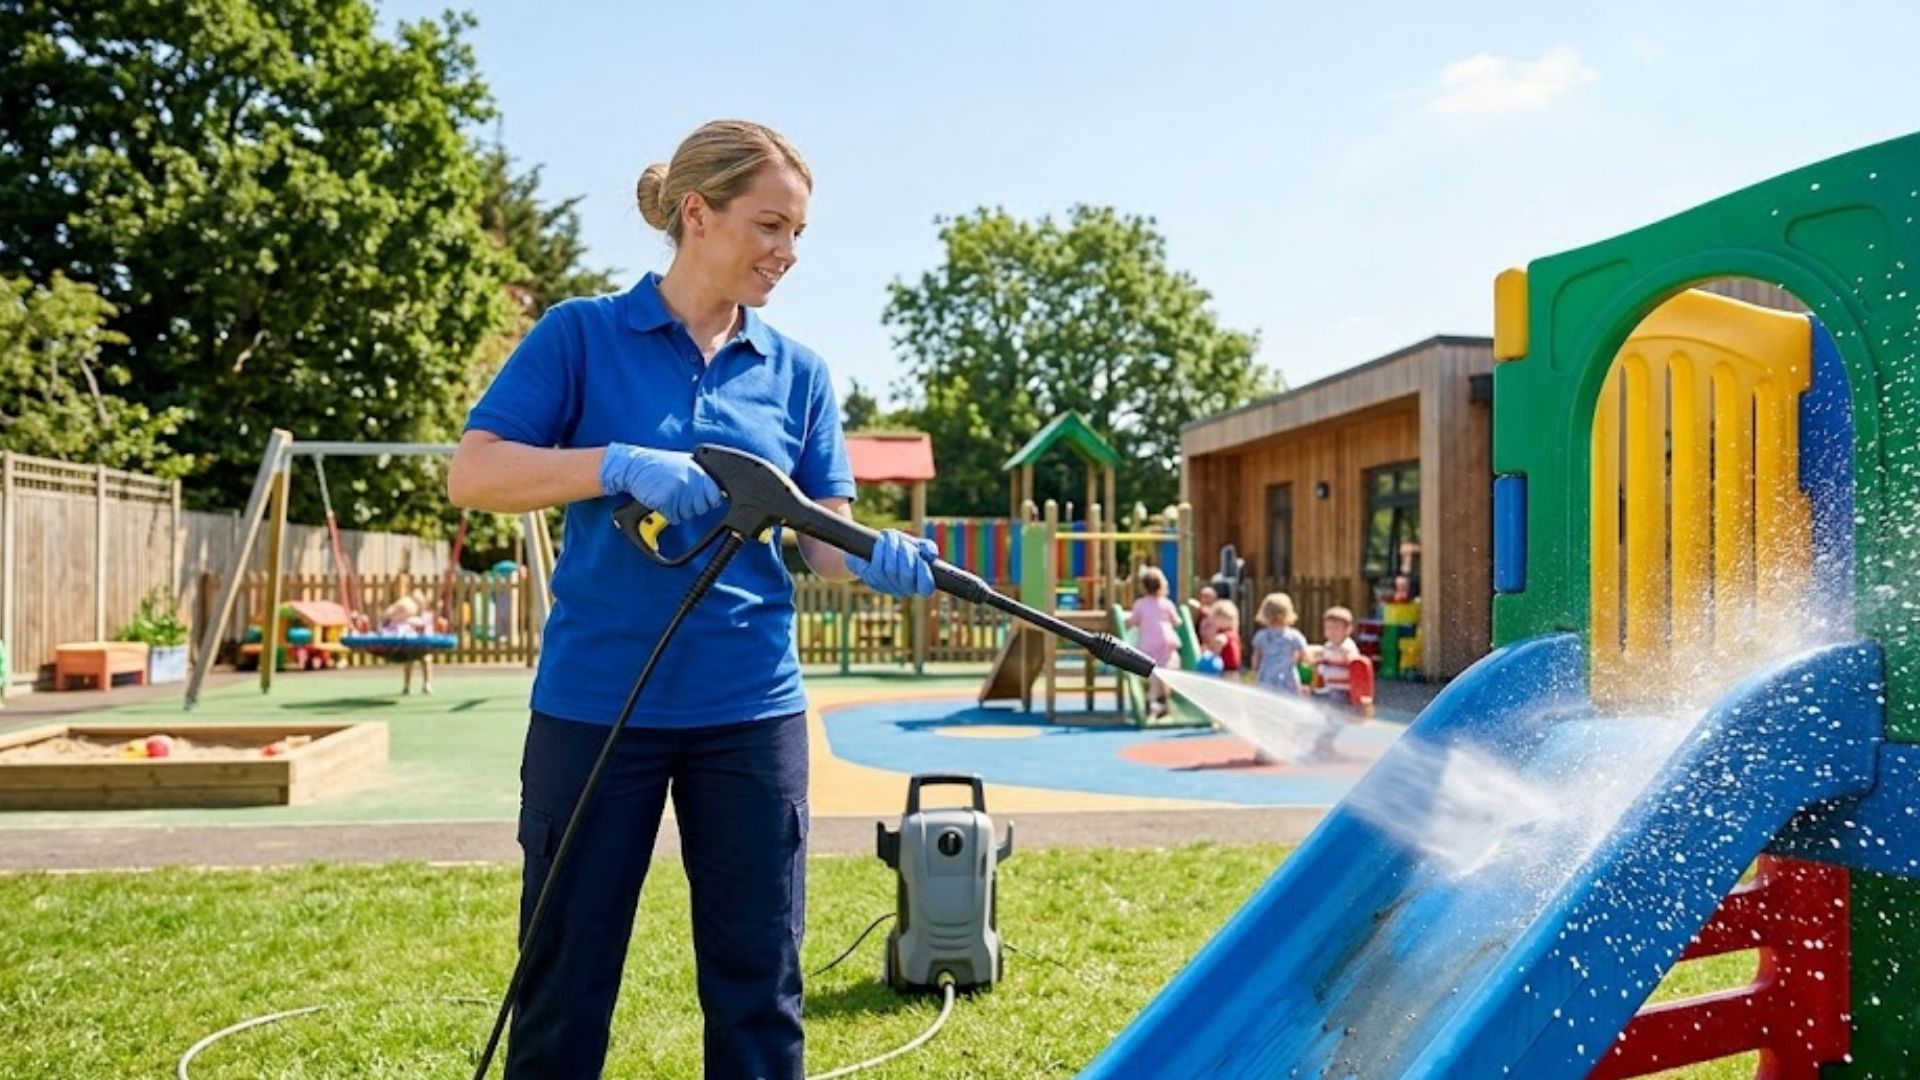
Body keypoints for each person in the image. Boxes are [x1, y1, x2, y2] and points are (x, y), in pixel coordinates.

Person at [447, 120, 940, 1080]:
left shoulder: (798, 373)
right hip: (596, 708)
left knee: (759, 987)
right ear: (697, 214)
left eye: (798, 233)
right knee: (565, 980)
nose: (786, 253)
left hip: (750, 714)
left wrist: (878, 556)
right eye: (768, 226)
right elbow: (476, 474)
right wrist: (616, 463)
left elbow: (823, 545)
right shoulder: (581, 336)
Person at [1125, 567, 1180, 717]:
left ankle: (1152, 701)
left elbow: (1132, 621)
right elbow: (1176, 622)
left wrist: (1124, 621)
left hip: (1148, 644)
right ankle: (1164, 702)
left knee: (1153, 675)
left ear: (1143, 587)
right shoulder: (1167, 603)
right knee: (1167, 671)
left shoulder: (1140, 604)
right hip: (1167, 643)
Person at [1250, 592, 1309, 695]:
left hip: (1267, 674)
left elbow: (1256, 656)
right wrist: (1297, 661)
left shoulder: (1261, 636)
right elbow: (1304, 654)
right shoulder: (1293, 636)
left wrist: (1255, 670)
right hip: (1287, 675)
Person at [378, 593, 434, 695]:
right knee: (409, 661)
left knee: (426, 659)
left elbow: (427, 629)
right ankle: (407, 686)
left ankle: (427, 684)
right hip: (410, 642)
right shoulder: (405, 616)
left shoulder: (423, 616)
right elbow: (394, 625)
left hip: (421, 642)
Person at [1208, 598, 1243, 673]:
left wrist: (1213, 653)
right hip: (1232, 667)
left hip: (1226, 667)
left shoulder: (1226, 633)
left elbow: (1220, 640)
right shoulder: (1234, 632)